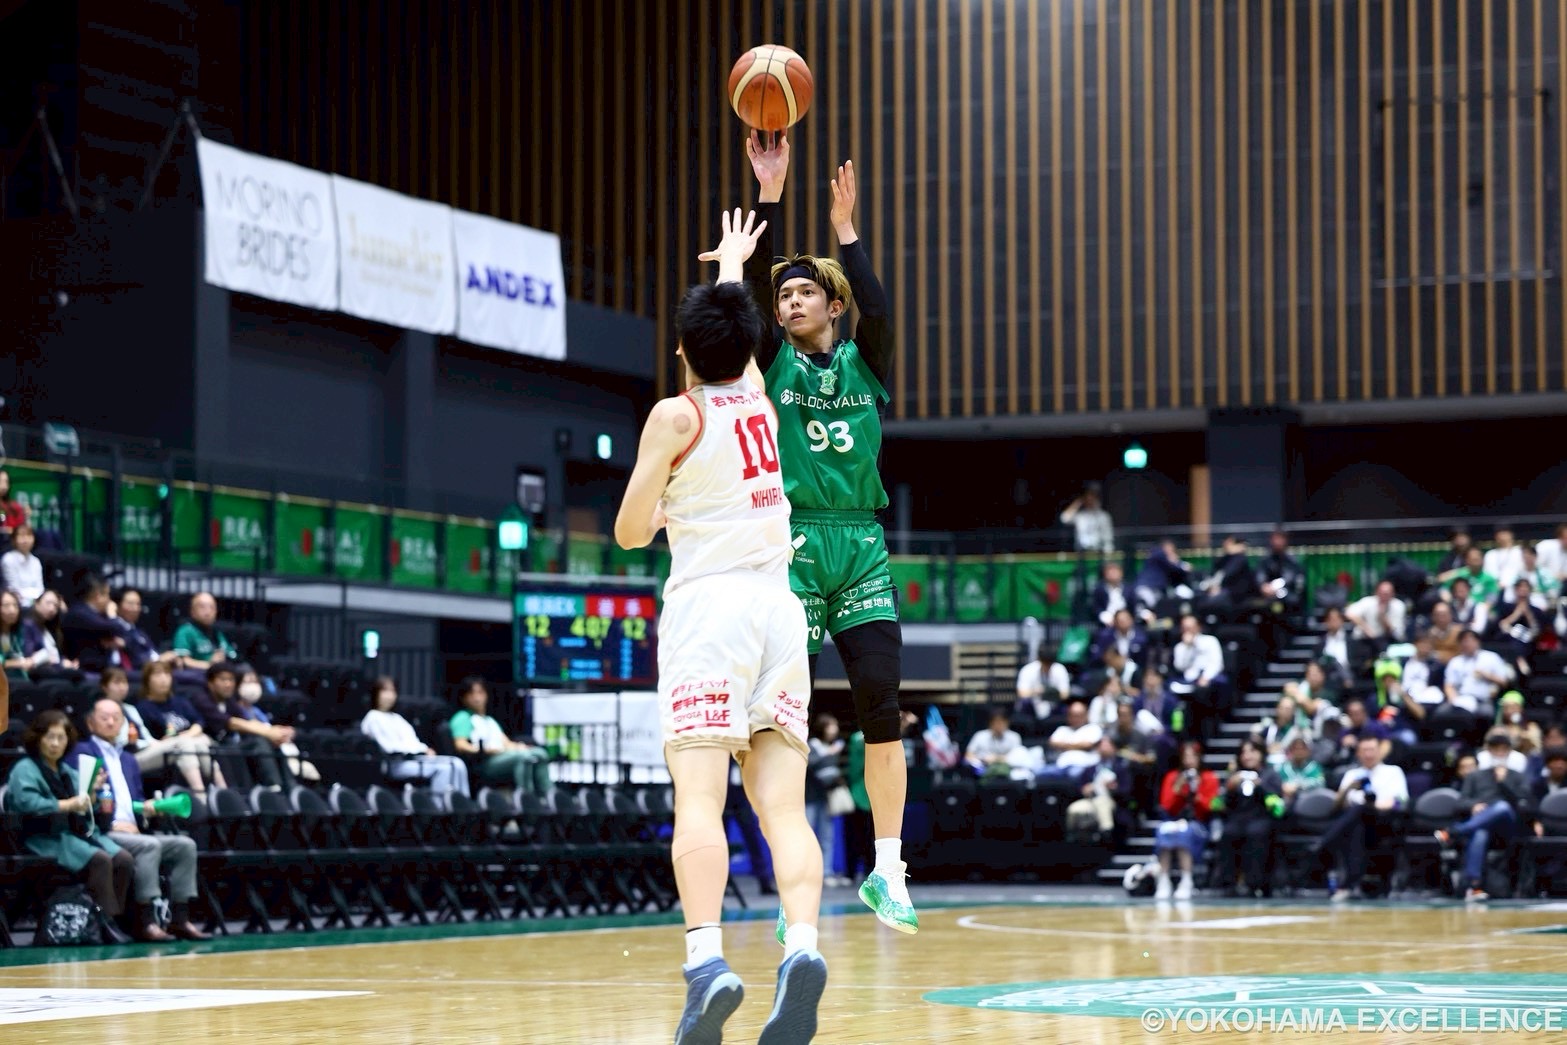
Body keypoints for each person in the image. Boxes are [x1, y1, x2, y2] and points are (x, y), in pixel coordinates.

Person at [617, 208, 827, 1044]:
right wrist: (735, 265)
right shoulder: (761, 398)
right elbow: (736, 343)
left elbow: (628, 532)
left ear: (680, 350)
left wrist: (662, 507)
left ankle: (706, 961)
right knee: (784, 809)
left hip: (709, 613)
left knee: (699, 800)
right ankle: (802, 945)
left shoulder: (675, 416)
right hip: (780, 613)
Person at [745, 132, 917, 936]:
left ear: (832, 305)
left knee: (881, 705)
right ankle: (798, 886)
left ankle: (889, 869)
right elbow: (749, 296)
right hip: (797, 544)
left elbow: (878, 307)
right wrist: (769, 194)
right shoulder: (771, 364)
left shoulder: (863, 361)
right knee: (787, 715)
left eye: (802, 293)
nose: (788, 302)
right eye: (782, 296)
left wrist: (847, 231)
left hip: (860, 544)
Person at [70, 698, 209, 941]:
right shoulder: (82, 752)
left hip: (133, 831)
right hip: (102, 831)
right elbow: (79, 796)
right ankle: (146, 921)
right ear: (90, 723)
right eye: (104, 718)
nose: (111, 722)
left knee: (185, 845)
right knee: (149, 845)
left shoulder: (129, 759)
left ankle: (180, 918)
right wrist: (112, 823)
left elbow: (134, 800)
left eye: (116, 718)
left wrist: (147, 809)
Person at [3, 709, 135, 944]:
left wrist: (92, 795)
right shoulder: (25, 768)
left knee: (123, 859)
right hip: (42, 837)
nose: (55, 744)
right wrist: (67, 804)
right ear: (38, 738)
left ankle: (113, 919)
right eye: (50, 737)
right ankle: (106, 924)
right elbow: (27, 804)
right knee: (100, 860)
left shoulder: (68, 771)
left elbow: (86, 808)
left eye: (61, 738)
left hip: (74, 834)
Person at [1436, 732, 1533, 902]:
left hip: (1508, 827)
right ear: (1489, 751)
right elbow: (1460, 803)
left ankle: (1452, 832)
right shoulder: (1475, 776)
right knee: (1480, 833)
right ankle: (1474, 886)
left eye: (1503, 749)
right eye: (1496, 749)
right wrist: (1473, 805)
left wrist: (1503, 783)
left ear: (1509, 751)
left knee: (1502, 807)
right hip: (1481, 825)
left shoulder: (1517, 776)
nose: (1499, 753)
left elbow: (1524, 804)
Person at [1316, 735, 1409, 901]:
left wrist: (1374, 805)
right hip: (1356, 824)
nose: (1368, 754)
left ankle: (1325, 843)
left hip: (1383, 821)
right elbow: (1337, 806)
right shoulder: (1352, 774)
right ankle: (1349, 884)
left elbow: (1399, 801)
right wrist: (1349, 788)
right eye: (1364, 750)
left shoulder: (1393, 771)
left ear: (1379, 751)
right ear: (1358, 753)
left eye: (1371, 750)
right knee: (1356, 823)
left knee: (1360, 810)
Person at [190, 663, 292, 791]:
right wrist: (267, 732)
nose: (228, 684)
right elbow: (232, 723)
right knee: (257, 742)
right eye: (223, 679)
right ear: (210, 683)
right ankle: (272, 787)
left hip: (230, 744)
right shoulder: (201, 699)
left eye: (231, 680)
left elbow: (247, 721)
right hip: (212, 745)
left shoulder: (229, 701)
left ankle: (289, 787)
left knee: (270, 743)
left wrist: (274, 732)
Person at [362, 676, 470, 796]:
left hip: (412, 760)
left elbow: (412, 740)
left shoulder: (397, 718)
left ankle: (462, 802)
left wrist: (424, 749)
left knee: (457, 763)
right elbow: (389, 747)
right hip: (395, 765)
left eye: (392, 691)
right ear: (375, 693)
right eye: (384, 691)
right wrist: (421, 750)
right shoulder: (372, 717)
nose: (389, 696)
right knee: (445, 768)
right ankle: (439, 805)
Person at [132, 660, 225, 794]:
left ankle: (223, 792)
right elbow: (149, 738)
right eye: (157, 675)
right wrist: (181, 738)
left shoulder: (180, 702)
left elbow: (199, 722)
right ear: (147, 680)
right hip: (163, 748)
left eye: (167, 674)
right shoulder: (143, 708)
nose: (163, 679)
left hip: (189, 741)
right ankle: (200, 794)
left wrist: (188, 735)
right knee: (189, 743)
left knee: (199, 743)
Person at [448, 677, 551, 797]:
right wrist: (482, 750)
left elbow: (506, 743)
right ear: (464, 698)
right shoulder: (462, 717)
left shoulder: (490, 720)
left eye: (480, 692)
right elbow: (460, 745)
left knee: (539, 753)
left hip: (503, 755)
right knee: (525, 758)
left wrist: (519, 747)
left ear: (486, 695)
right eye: (471, 694)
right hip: (485, 762)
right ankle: (527, 799)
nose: (476, 698)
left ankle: (548, 796)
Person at [1217, 739, 1285, 898]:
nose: (1247, 756)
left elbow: (1276, 800)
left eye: (1252, 751)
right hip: (1238, 817)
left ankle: (1256, 883)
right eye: (1244, 752)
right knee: (1229, 833)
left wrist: (1260, 785)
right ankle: (1229, 883)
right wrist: (1230, 788)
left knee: (1256, 833)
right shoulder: (1235, 776)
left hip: (1262, 816)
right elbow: (1225, 804)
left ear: (1261, 753)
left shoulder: (1270, 774)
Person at [1153, 740, 1219, 901]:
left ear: (1199, 757)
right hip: (1174, 820)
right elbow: (1166, 806)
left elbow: (1212, 807)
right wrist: (1178, 788)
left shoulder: (1209, 777)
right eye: (1186, 756)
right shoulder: (1172, 777)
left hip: (1199, 824)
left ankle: (1186, 879)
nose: (1189, 760)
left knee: (1185, 832)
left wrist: (1197, 795)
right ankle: (1163, 879)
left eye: (1193, 756)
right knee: (1163, 830)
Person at [805, 714, 847, 886]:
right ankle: (806, 873)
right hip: (809, 798)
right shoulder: (812, 745)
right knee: (807, 835)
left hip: (826, 797)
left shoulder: (834, 746)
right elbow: (810, 764)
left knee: (826, 837)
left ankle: (826, 872)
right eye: (831, 725)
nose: (834, 729)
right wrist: (828, 753)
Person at [170, 592, 238, 670]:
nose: (208, 612)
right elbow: (183, 661)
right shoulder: (185, 631)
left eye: (212, 607)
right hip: (197, 674)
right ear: (192, 611)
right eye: (202, 607)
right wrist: (210, 666)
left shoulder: (217, 633)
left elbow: (232, 655)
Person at [1014, 645, 1070, 721]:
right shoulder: (1028, 669)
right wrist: (1037, 691)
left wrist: (1047, 692)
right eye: (1045, 663)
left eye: (1049, 664)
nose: (1047, 667)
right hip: (1033, 705)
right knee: (1025, 703)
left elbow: (1065, 694)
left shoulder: (1059, 669)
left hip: (1053, 705)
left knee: (1064, 708)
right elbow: (1021, 693)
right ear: (1039, 660)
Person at [965, 709, 1023, 776]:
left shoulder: (1014, 736)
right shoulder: (980, 735)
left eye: (1001, 722)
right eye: (996, 722)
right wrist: (982, 759)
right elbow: (968, 755)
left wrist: (996, 759)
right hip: (983, 769)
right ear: (990, 723)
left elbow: (1018, 757)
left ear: (1007, 723)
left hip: (1009, 770)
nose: (998, 726)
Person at [1060, 483, 1115, 553]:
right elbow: (1064, 519)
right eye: (1087, 497)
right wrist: (1078, 502)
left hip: (1098, 552)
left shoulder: (1103, 516)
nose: (1090, 500)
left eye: (1093, 497)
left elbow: (1108, 536)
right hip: (1082, 552)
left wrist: (1108, 552)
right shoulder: (1080, 516)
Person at [0, 523, 44, 607]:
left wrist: (38, 598)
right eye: (21, 536)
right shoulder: (8, 559)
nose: (25, 539)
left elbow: (40, 588)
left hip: (37, 603)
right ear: (14, 539)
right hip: (16, 604)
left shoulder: (36, 561)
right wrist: (34, 595)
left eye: (29, 535)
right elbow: (14, 589)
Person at [1, 589, 30, 680]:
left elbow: (18, 654)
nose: (12, 610)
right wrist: (18, 663)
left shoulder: (17, 631)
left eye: (15, 605)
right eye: (6, 605)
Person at [0, 468, 27, 548]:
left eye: (6, 482)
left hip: (11, 542)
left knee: (47, 535)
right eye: (1, 481)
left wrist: (26, 516)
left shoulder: (14, 506)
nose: (4, 486)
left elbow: (21, 528)